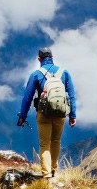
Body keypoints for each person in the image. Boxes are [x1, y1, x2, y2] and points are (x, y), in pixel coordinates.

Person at [17, 47, 77, 178]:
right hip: (60, 114)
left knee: (44, 144)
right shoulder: (64, 73)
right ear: (52, 58)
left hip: (43, 113)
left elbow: (27, 97)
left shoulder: (36, 74)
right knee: (56, 140)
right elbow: (71, 95)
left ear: (39, 59)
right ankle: (54, 169)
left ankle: (46, 173)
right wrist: (72, 115)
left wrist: (22, 116)